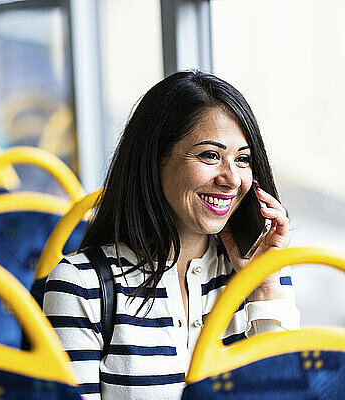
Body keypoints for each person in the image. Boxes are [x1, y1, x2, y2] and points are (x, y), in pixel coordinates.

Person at [42, 71, 300, 400]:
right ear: (156, 157)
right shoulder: (82, 285)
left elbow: (286, 392)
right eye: (210, 155)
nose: (232, 179)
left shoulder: (267, 272)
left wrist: (264, 289)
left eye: (243, 159)